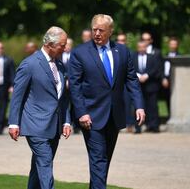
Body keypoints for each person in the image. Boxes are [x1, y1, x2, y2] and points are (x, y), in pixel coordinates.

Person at [69, 14, 146, 189]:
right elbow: (75, 86)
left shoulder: (123, 51)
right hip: (91, 117)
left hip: (114, 115)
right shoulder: (80, 53)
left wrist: (139, 106)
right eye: (94, 29)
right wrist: (81, 112)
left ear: (110, 31)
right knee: (99, 159)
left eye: (101, 30)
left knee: (104, 160)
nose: (96, 33)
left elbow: (132, 80)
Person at [8, 26, 71, 189]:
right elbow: (17, 96)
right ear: (50, 44)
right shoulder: (29, 64)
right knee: (45, 165)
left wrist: (67, 121)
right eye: (62, 45)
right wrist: (14, 123)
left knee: (38, 167)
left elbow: (63, 98)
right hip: (35, 126)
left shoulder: (61, 65)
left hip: (54, 126)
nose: (65, 48)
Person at [133, 41, 163, 133]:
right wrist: (138, 75)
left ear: (146, 48)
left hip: (151, 85)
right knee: (138, 106)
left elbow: (157, 69)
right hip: (138, 86)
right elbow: (130, 68)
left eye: (143, 47)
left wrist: (147, 75)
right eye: (140, 47)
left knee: (152, 106)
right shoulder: (133, 57)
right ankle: (138, 128)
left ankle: (153, 126)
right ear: (137, 48)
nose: (142, 49)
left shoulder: (152, 57)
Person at [115, 33, 136, 132]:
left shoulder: (130, 53)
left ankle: (130, 124)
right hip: (115, 84)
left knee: (128, 104)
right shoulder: (112, 52)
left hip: (126, 83)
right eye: (119, 40)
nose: (121, 42)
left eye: (123, 40)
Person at [162, 37, 180, 119]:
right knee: (167, 99)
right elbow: (162, 69)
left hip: (175, 80)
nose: (173, 46)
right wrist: (164, 78)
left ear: (177, 45)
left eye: (174, 44)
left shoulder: (180, 57)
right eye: (171, 44)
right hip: (166, 80)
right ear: (169, 45)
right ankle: (169, 116)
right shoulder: (165, 56)